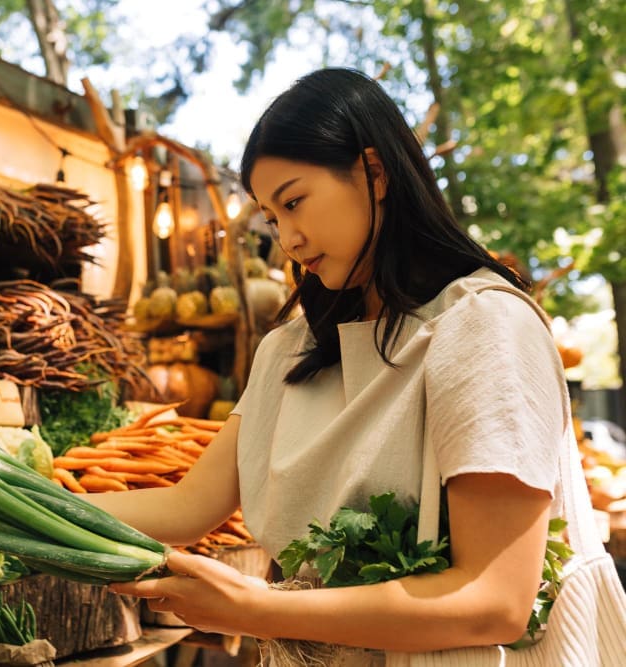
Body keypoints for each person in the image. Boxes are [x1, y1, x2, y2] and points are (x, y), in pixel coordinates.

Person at [89, 67, 570, 659]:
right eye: (271, 217)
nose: (287, 238)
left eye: (294, 202)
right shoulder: (289, 349)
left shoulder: (482, 326)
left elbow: (495, 601)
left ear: (374, 172)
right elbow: (185, 508)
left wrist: (256, 609)